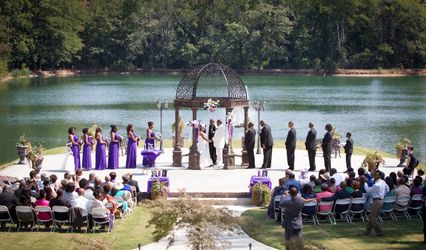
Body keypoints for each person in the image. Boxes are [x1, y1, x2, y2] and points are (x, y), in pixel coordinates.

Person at [362, 169, 389, 237]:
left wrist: (365, 182)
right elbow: (387, 189)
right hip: (379, 200)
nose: (374, 176)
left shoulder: (377, 184)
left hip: (377, 201)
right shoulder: (382, 182)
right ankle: (367, 232)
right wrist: (382, 195)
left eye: (376, 175)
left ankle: (379, 232)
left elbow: (368, 190)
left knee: (373, 218)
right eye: (374, 174)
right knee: (371, 217)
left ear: (379, 176)